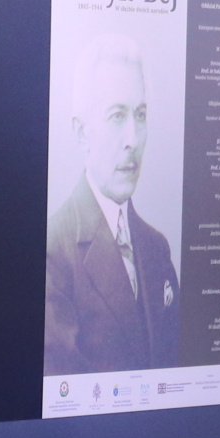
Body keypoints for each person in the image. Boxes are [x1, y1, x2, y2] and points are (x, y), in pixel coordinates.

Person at [45, 34, 180, 377]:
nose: (133, 139)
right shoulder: (53, 252)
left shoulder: (157, 248)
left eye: (140, 115)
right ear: (82, 133)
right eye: (117, 116)